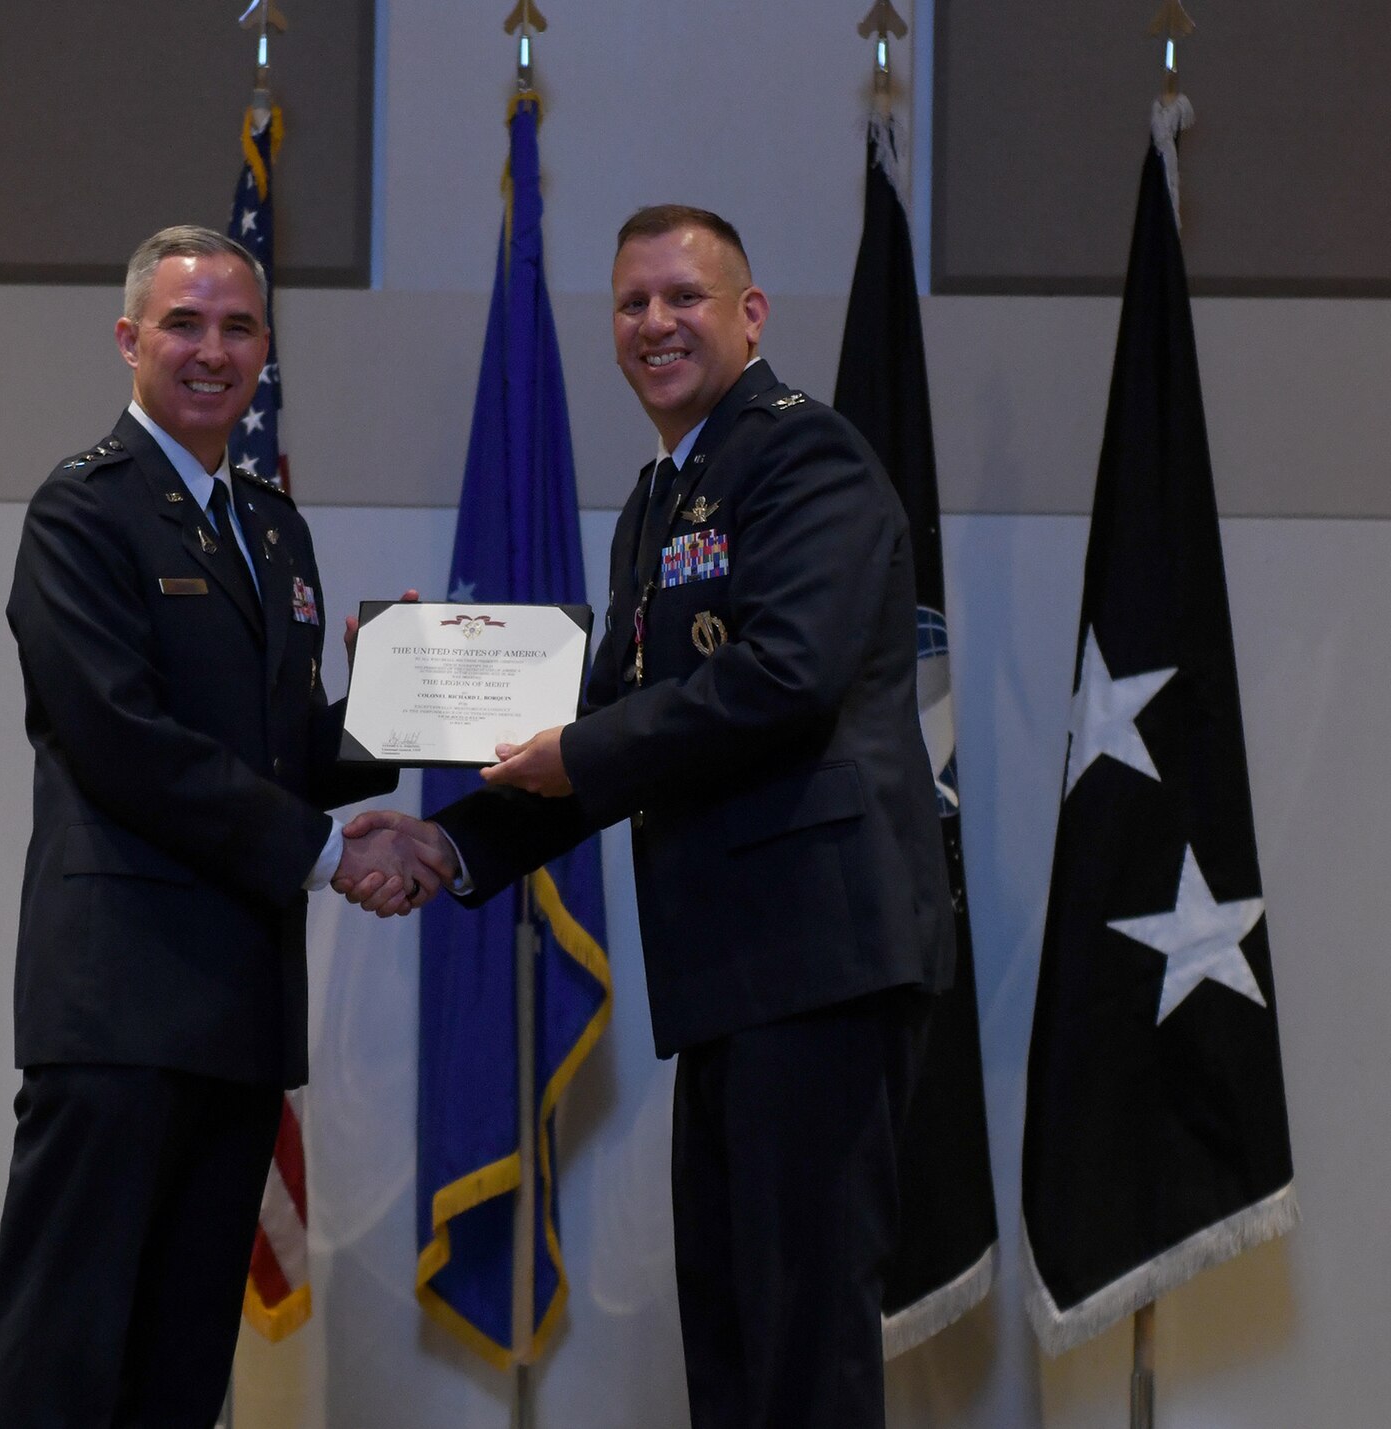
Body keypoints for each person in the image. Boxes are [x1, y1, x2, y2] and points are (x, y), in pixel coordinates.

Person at [346, 206, 955, 1429]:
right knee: (732, 1333)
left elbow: (783, 675)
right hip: (733, 975)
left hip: (817, 963)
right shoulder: (657, 502)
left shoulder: (806, 458)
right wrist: (450, 839)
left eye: (683, 296)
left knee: (803, 1336)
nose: (653, 323)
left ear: (749, 314)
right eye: (631, 303)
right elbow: (616, 724)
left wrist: (578, 744)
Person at [0, 225, 450, 1429]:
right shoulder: (81, 513)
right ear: (129, 340)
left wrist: (408, 699)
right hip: (120, 1008)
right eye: (183, 324)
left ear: (264, 349)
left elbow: (279, 752)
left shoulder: (272, 528)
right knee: (64, 1356)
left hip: (237, 1013)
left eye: (238, 327)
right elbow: (126, 744)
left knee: (181, 1369)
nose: (211, 350)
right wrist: (336, 853)